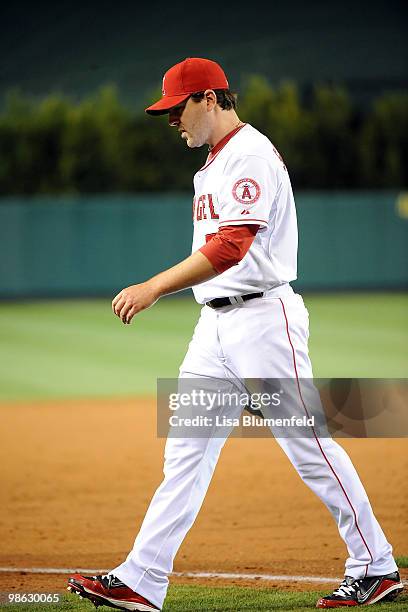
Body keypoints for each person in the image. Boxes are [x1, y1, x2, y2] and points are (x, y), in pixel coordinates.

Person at [67, 57, 403, 611]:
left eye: (177, 109)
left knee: (308, 445)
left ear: (209, 99)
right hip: (214, 328)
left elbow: (231, 246)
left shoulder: (248, 154)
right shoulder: (214, 163)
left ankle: (376, 564)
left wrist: (153, 287)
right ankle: (143, 579)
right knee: (186, 454)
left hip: (263, 322)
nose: (172, 121)